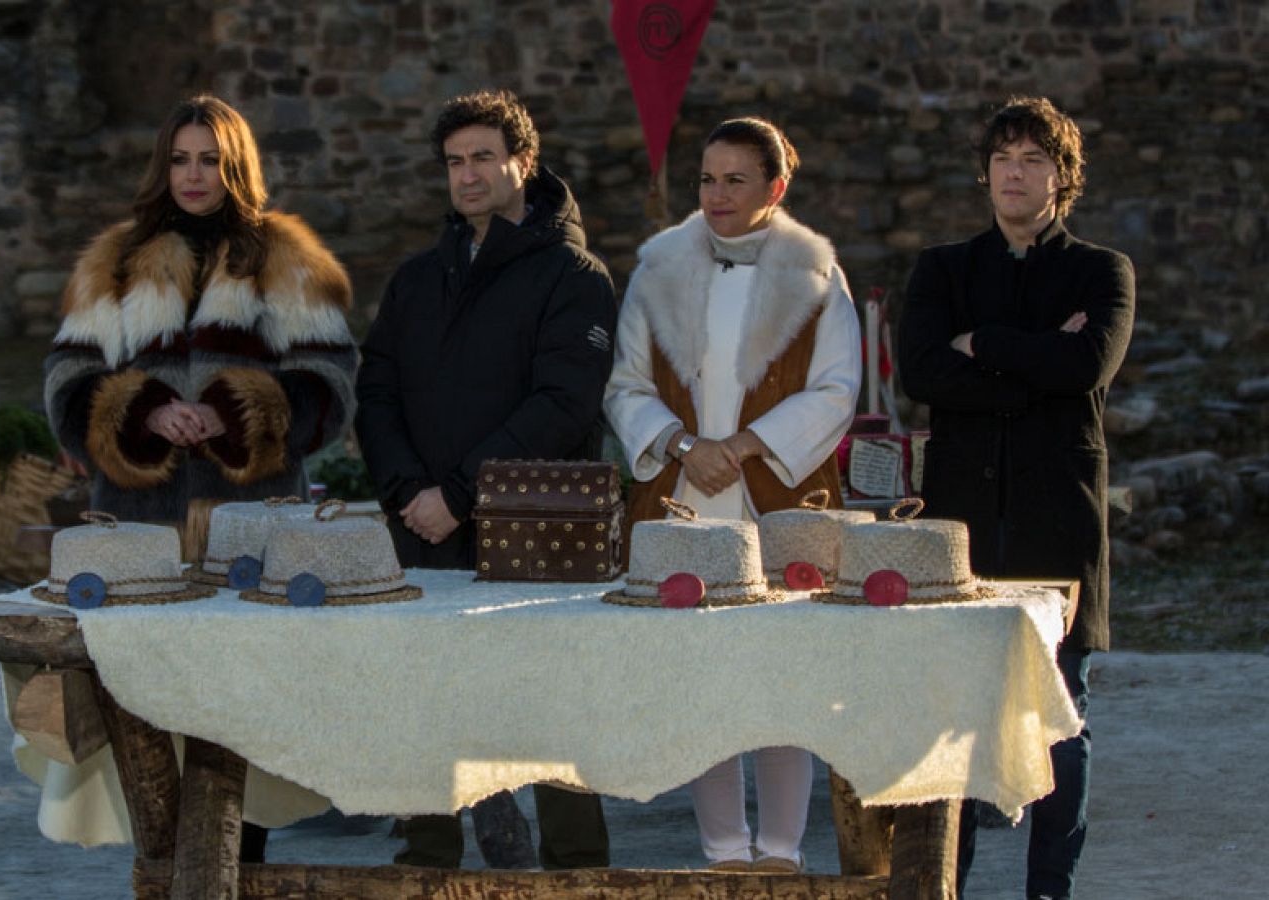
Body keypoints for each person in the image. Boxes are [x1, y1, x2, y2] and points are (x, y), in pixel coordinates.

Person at [43, 93, 358, 862]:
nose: (193, 175)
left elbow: (331, 380)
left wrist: (235, 411)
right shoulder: (113, 262)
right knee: (145, 717)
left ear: (234, 166)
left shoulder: (285, 257)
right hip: (139, 535)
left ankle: (238, 870)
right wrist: (142, 412)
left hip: (251, 532)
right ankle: (162, 875)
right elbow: (65, 379)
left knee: (246, 721)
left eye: (210, 160)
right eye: (181, 159)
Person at [355, 89, 615, 870]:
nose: (467, 176)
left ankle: (576, 878)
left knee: (551, 713)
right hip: (423, 528)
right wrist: (410, 493)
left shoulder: (574, 275)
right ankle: (425, 868)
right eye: (454, 162)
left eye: (483, 158)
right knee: (425, 705)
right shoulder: (417, 279)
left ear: (523, 164)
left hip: (536, 531)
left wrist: (461, 494)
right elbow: (376, 393)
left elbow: (563, 405)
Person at [603, 117, 861, 874]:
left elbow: (837, 389)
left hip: (779, 500)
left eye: (735, 180)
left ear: (775, 187)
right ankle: (722, 855)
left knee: (782, 685)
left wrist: (744, 447)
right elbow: (625, 386)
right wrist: (686, 447)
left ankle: (779, 856)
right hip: (684, 497)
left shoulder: (817, 276)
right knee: (702, 685)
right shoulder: (659, 269)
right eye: (707, 179)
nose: (716, 194)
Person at [898, 96, 1134, 900]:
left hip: (1057, 521)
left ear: (1063, 177)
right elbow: (924, 373)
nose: (1015, 173)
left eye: (1034, 159)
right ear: (986, 172)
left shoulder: (1102, 272)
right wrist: (1036, 363)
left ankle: (1048, 890)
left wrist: (984, 346)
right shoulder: (944, 270)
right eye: (1003, 158)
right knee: (954, 721)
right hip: (961, 523)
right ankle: (944, 885)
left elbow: (1087, 367)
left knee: (1062, 715)